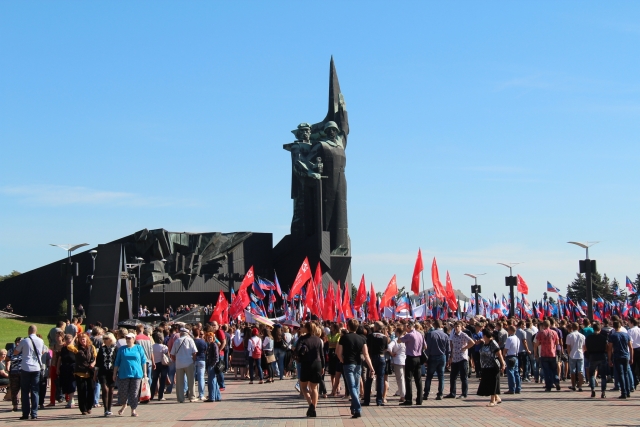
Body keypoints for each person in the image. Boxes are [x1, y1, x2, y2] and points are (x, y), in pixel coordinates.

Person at [337, 319, 374, 419]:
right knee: (356, 386)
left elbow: (338, 352)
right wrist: (371, 367)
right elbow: (366, 355)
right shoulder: (362, 339)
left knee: (352, 387)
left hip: (348, 363)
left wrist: (342, 360)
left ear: (348, 326)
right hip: (358, 364)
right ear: (357, 327)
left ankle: (357, 408)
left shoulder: (344, 338)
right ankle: (354, 407)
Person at [14, 325, 46, 420]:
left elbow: (16, 352)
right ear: (36, 331)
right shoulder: (41, 341)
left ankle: (25, 413)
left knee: (25, 391)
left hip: (26, 367)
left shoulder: (25, 341)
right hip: (36, 367)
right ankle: (34, 413)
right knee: (35, 390)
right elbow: (43, 351)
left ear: (28, 331)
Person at [113, 332, 147, 416]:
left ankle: (133, 410)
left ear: (134, 339)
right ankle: (124, 405)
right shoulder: (122, 349)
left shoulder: (139, 348)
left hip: (136, 373)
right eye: (127, 338)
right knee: (123, 393)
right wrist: (114, 373)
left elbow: (143, 361)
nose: (128, 340)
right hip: (124, 373)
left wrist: (145, 372)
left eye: (130, 338)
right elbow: (117, 362)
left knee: (134, 393)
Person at [296, 322, 325, 417]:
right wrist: (323, 366)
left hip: (306, 363)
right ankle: (313, 407)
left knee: (303, 387)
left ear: (307, 329)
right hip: (317, 363)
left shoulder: (302, 338)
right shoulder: (318, 339)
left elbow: (297, 351)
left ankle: (311, 405)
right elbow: (322, 354)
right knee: (314, 388)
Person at [66, 333, 97, 415]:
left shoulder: (92, 347)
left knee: (91, 389)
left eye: (83, 339)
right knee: (81, 390)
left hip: (90, 371)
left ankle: (89, 407)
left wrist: (93, 364)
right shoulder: (77, 348)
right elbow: (69, 346)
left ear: (87, 339)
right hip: (80, 371)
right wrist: (75, 337)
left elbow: (95, 358)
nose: (82, 341)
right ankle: (83, 409)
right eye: (80, 340)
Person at [445, 321, 476, 399]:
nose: (456, 328)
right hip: (455, 358)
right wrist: (451, 356)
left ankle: (464, 393)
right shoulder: (454, 335)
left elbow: (472, 342)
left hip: (462, 358)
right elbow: (452, 345)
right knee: (453, 377)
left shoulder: (463, 335)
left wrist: (465, 348)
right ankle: (452, 393)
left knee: (463, 377)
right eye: (455, 326)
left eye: (458, 326)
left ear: (461, 327)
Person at [362, 321, 389, 407]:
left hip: (372, 357)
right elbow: (386, 348)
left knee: (369, 378)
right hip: (381, 358)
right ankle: (379, 401)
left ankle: (367, 400)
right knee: (380, 379)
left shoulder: (370, 336)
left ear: (376, 327)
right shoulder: (385, 337)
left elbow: (367, 347)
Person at [398, 320, 425, 406]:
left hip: (410, 358)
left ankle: (409, 399)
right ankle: (419, 399)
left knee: (408, 379)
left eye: (405, 327)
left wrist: (403, 332)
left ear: (409, 327)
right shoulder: (420, 334)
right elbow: (425, 346)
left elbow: (399, 340)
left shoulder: (409, 335)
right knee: (418, 379)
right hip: (418, 357)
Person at [477, 328, 505, 407]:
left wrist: (503, 364)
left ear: (485, 335)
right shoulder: (484, 343)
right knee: (487, 383)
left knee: (492, 383)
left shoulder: (492, 342)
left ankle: (492, 400)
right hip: (485, 367)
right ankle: (497, 397)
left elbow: (499, 353)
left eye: (483, 335)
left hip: (492, 366)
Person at [424, 319, 449, 401]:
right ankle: (440, 394)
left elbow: (428, 347)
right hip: (442, 356)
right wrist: (447, 359)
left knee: (429, 376)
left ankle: (426, 394)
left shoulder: (431, 334)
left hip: (433, 357)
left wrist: (426, 358)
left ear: (434, 325)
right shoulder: (445, 335)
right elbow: (448, 349)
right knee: (441, 376)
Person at [608, 319, 633, 399]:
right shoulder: (626, 334)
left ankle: (624, 392)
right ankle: (628, 391)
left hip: (617, 356)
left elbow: (610, 348)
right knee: (626, 374)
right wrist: (631, 357)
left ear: (614, 327)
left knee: (621, 374)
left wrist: (609, 359)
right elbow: (630, 347)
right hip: (626, 355)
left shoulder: (613, 336)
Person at [170, 328, 197, 403]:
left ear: (181, 333)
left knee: (179, 382)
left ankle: (180, 398)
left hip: (179, 363)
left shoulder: (176, 341)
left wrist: (176, 360)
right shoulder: (190, 340)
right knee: (191, 381)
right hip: (189, 362)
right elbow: (194, 352)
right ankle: (192, 397)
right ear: (187, 333)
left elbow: (172, 354)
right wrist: (193, 360)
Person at [534, 320, 561, 392]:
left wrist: (536, 353)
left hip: (544, 353)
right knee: (554, 370)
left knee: (546, 371)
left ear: (543, 325)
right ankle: (556, 381)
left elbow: (537, 344)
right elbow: (557, 343)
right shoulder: (554, 332)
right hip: (552, 353)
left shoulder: (540, 333)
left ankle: (548, 386)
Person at [95, 332, 117, 416]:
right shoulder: (101, 348)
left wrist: (116, 371)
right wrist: (95, 373)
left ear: (111, 339)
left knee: (111, 390)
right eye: (103, 338)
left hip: (112, 371)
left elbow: (117, 360)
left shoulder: (116, 348)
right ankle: (105, 409)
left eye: (106, 338)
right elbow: (98, 361)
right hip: (102, 371)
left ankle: (109, 408)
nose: (104, 340)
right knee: (104, 389)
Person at [585, 322, 608, 398]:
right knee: (603, 375)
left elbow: (586, 347)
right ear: (600, 329)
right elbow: (607, 347)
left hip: (592, 356)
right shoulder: (603, 337)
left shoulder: (588, 338)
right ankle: (603, 392)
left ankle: (593, 390)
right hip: (602, 356)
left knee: (591, 374)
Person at [565, 322, 586, 392]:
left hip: (572, 355)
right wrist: (583, 352)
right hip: (580, 354)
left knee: (572, 371)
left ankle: (573, 385)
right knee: (580, 371)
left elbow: (568, 346)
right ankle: (580, 386)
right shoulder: (582, 336)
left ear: (572, 328)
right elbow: (584, 347)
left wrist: (569, 353)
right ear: (578, 328)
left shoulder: (569, 336)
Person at [58, 334, 77, 408]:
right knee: (66, 384)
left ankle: (71, 400)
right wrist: (58, 368)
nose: (68, 340)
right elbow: (60, 359)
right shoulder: (63, 349)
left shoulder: (74, 348)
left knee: (72, 384)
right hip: (64, 368)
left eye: (69, 339)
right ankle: (70, 399)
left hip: (73, 367)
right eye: (66, 339)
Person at [388, 326, 406, 403]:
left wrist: (391, 353)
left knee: (400, 379)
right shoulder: (406, 339)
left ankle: (402, 395)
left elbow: (389, 347)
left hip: (398, 360)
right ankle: (403, 393)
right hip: (406, 359)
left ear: (398, 333)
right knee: (405, 378)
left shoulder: (396, 340)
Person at [503, 325, 521, 394]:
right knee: (516, 373)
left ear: (510, 330)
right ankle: (518, 388)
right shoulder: (517, 338)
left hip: (510, 356)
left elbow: (506, 348)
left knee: (510, 373)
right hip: (516, 356)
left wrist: (504, 354)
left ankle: (511, 389)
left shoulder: (509, 338)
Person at [150, 332, 169, 402]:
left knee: (154, 380)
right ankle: (160, 396)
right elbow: (168, 355)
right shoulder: (164, 347)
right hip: (163, 364)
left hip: (155, 363)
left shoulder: (152, 346)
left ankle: (151, 395)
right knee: (163, 380)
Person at [204, 332, 221, 402]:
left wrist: (213, 364)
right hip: (210, 364)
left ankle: (212, 397)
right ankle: (217, 397)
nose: (209, 339)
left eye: (210, 337)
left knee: (211, 382)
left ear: (213, 338)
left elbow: (216, 356)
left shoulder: (214, 345)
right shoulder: (209, 345)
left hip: (212, 365)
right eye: (208, 337)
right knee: (214, 381)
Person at [7, 339, 22, 411]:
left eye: (20, 342)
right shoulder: (11, 350)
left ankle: (25, 405)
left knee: (25, 390)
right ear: (15, 343)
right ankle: (15, 405)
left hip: (24, 372)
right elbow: (7, 359)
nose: (19, 344)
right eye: (18, 342)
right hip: (14, 372)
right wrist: (7, 366)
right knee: (14, 389)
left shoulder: (25, 350)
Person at [193, 327, 208, 400]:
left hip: (193, 360)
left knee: (192, 378)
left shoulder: (192, 341)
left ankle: (191, 394)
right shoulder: (203, 342)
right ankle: (201, 394)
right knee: (201, 377)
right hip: (202, 359)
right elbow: (205, 350)